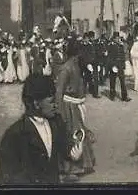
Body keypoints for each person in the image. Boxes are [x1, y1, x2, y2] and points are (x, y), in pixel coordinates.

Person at [0, 74, 83, 184]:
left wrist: (73, 152)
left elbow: (64, 145)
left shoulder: (56, 122)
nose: (56, 105)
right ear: (36, 103)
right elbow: (8, 178)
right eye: (52, 101)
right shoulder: (14, 135)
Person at [56, 38, 96, 182]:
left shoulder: (78, 65)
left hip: (77, 106)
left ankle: (78, 164)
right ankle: (70, 168)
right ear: (76, 53)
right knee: (73, 135)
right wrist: (60, 112)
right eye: (80, 52)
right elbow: (59, 91)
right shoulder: (66, 68)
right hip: (68, 107)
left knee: (79, 134)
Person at [107, 32, 132, 102]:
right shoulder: (110, 45)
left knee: (122, 81)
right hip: (114, 65)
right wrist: (112, 66)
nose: (117, 39)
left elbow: (123, 56)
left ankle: (124, 96)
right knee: (112, 81)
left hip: (120, 65)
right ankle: (112, 95)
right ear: (113, 38)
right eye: (116, 38)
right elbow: (109, 57)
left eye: (118, 38)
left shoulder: (121, 45)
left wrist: (123, 65)